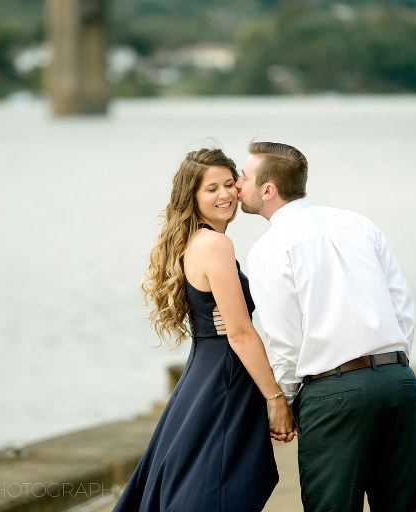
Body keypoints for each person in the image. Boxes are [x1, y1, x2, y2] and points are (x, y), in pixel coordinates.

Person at [236, 141, 416, 512]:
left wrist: (286, 403)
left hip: (333, 394)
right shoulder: (359, 223)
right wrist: (393, 366)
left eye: (244, 177)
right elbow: (403, 306)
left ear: (268, 189)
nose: (237, 184)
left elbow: (285, 340)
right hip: (399, 382)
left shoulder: (269, 249)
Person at [112, 147, 295, 512]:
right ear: (192, 196)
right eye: (211, 188)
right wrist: (276, 401)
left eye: (230, 183)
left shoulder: (196, 240)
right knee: (213, 493)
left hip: (205, 375)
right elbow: (240, 333)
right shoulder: (215, 244)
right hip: (223, 380)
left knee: (198, 484)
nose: (225, 194)